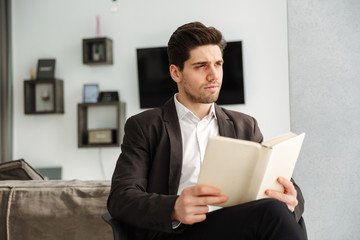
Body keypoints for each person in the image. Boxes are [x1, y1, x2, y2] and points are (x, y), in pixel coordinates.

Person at [108, 22, 305, 240]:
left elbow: (287, 188)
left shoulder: (244, 125)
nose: (214, 75)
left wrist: (292, 199)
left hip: (238, 227)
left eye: (218, 64)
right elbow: (121, 198)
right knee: (271, 213)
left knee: (278, 210)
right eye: (201, 66)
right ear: (176, 73)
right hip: (177, 233)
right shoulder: (145, 126)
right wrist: (174, 208)